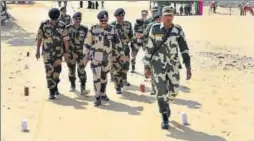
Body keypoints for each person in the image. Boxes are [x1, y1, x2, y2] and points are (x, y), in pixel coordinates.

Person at [143, 6, 192, 129]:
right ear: (162, 16)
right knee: (161, 91)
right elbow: (149, 48)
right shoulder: (154, 29)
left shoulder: (178, 30)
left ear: (173, 16)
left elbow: (184, 49)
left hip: (173, 64)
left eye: (170, 15)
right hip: (157, 65)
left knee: (174, 91)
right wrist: (146, 67)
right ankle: (164, 116)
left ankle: (166, 104)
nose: (168, 18)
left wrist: (188, 66)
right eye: (166, 15)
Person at [84, 10, 125, 106]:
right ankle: (97, 97)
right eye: (102, 20)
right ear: (99, 20)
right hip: (96, 58)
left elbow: (118, 43)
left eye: (105, 20)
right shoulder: (93, 29)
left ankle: (103, 93)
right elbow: (87, 43)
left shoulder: (113, 29)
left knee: (104, 77)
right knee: (96, 78)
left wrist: (122, 54)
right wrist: (86, 56)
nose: (104, 22)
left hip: (107, 58)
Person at [36, 8, 70, 100]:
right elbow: (39, 38)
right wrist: (37, 50)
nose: (54, 22)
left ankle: (55, 85)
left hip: (58, 53)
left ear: (58, 18)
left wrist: (66, 52)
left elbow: (66, 40)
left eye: (55, 20)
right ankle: (51, 91)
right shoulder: (44, 25)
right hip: (47, 53)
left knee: (57, 71)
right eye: (52, 20)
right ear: (50, 18)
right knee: (49, 71)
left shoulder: (62, 26)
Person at [110, 8, 133, 94]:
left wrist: (134, 43)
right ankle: (118, 87)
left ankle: (123, 80)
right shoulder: (112, 26)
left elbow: (131, 36)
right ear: (116, 16)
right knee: (117, 69)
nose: (121, 17)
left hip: (126, 49)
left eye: (123, 15)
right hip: (115, 51)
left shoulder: (128, 24)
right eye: (120, 16)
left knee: (126, 67)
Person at [65, 12, 89, 95]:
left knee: (81, 70)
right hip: (71, 53)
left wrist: (87, 55)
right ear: (73, 19)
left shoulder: (85, 29)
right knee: (71, 70)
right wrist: (65, 53)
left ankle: (83, 87)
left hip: (81, 53)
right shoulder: (67, 28)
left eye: (79, 19)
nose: (78, 20)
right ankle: (72, 85)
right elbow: (64, 41)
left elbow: (88, 42)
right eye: (76, 19)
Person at [142, 12, 162, 95]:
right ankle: (154, 89)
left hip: (161, 52)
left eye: (160, 19)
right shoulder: (151, 26)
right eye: (158, 19)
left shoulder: (165, 26)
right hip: (152, 51)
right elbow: (145, 35)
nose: (159, 20)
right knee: (153, 70)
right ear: (155, 19)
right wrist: (147, 46)